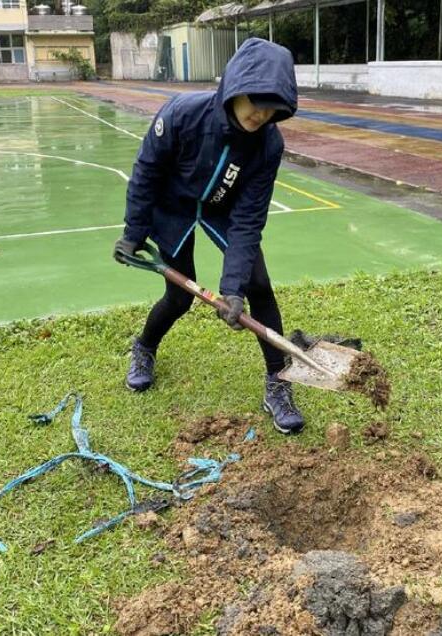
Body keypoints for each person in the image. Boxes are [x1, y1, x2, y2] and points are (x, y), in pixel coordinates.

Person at [114, 37, 304, 435]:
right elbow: (146, 172)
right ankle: (144, 348)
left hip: (224, 210)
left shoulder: (269, 144)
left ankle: (278, 382)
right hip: (174, 208)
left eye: (273, 106)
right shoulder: (183, 113)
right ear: (236, 86)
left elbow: (250, 217)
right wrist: (134, 231)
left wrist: (232, 287)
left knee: (259, 286)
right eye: (257, 100)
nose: (262, 113)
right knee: (179, 298)